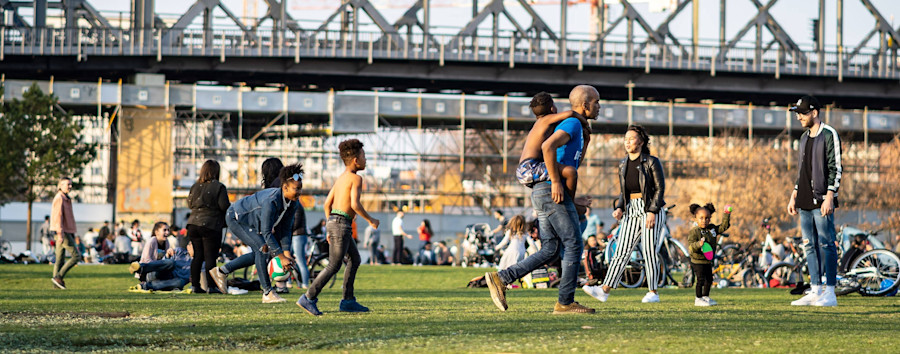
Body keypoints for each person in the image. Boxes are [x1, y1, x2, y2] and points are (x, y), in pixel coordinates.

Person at [485, 85, 600, 314]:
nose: (599, 106)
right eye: (597, 102)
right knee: (574, 244)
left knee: (550, 248)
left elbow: (572, 163)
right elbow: (548, 147)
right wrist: (557, 184)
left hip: (543, 191)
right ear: (585, 105)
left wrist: (585, 142)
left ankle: (502, 278)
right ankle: (565, 303)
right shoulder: (571, 122)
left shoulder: (578, 128)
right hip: (549, 189)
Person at [584, 125, 667, 304]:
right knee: (621, 250)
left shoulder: (652, 161)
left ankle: (653, 292)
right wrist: (620, 207)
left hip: (650, 209)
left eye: (632, 138)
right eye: (625, 139)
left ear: (641, 141)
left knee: (649, 250)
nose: (627, 142)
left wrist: (652, 211)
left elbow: (660, 189)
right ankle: (604, 290)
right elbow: (624, 192)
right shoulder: (623, 164)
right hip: (632, 210)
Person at [298, 139, 379, 316]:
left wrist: (329, 227)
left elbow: (327, 204)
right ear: (356, 160)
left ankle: (348, 301)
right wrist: (370, 219)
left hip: (337, 223)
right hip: (341, 224)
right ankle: (308, 297)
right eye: (364, 156)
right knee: (334, 265)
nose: (366, 160)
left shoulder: (341, 179)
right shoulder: (356, 178)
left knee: (355, 259)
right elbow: (355, 205)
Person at [208, 163, 303, 303]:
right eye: (296, 189)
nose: (299, 192)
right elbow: (266, 232)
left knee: (259, 253)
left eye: (301, 188)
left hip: (250, 223)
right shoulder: (271, 201)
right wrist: (280, 256)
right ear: (285, 187)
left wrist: (287, 252)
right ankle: (267, 293)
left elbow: (286, 229)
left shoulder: (293, 202)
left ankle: (222, 271)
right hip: (235, 218)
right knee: (262, 249)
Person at [787, 95, 842, 307]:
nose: (799, 117)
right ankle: (815, 289)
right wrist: (794, 193)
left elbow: (836, 167)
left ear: (814, 113)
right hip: (803, 200)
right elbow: (802, 170)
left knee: (826, 244)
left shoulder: (829, 134)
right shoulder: (803, 138)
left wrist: (830, 195)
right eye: (798, 113)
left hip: (822, 199)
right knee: (809, 245)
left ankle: (830, 292)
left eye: (802, 113)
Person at [514, 91, 588, 194]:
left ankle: (572, 202)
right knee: (570, 172)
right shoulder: (546, 119)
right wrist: (584, 122)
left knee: (565, 170)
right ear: (552, 108)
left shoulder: (540, 123)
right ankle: (571, 203)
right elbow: (570, 113)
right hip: (531, 167)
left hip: (524, 169)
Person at [186, 159, 231, 294]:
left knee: (197, 256)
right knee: (211, 257)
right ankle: (211, 286)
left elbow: (189, 204)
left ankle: (195, 286)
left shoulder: (194, 186)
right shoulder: (219, 187)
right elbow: (224, 206)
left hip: (193, 223)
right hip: (211, 225)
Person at [686, 203, 731, 307]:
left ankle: (705, 297)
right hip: (697, 261)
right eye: (701, 218)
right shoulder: (695, 231)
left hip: (707, 260)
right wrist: (699, 244)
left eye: (707, 218)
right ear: (695, 218)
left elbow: (724, 226)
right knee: (700, 280)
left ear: (710, 218)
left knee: (709, 279)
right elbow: (691, 246)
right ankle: (698, 299)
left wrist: (727, 214)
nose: (704, 220)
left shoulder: (712, 229)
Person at [50, 177, 81, 289]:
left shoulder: (65, 197)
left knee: (59, 259)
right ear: (60, 185)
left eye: (71, 184)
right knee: (76, 256)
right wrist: (60, 233)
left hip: (65, 230)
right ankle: (58, 277)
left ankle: (56, 285)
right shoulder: (60, 198)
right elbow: (58, 216)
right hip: (62, 231)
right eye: (68, 184)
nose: (70, 186)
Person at [129, 243, 194, 291]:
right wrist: (167, 255)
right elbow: (162, 264)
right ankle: (141, 268)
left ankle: (145, 286)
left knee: (180, 282)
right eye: (192, 245)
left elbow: (200, 281)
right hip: (158, 274)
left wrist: (192, 287)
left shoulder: (201, 263)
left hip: (171, 283)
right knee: (170, 262)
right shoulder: (179, 252)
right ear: (188, 247)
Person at [291, 197, 311, 290]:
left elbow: (296, 222)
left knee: (300, 260)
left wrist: (287, 230)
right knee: (288, 258)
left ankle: (305, 283)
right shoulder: (295, 205)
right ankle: (289, 282)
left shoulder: (297, 206)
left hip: (298, 235)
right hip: (294, 235)